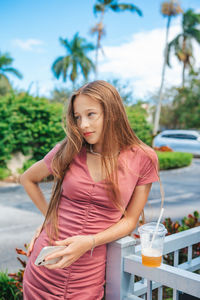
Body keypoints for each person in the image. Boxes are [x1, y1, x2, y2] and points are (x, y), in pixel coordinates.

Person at [20, 80, 159, 300]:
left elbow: (130, 220)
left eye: (91, 114)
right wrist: (49, 218)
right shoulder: (69, 149)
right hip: (45, 266)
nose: (83, 124)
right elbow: (27, 178)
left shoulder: (143, 158)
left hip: (88, 274)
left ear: (111, 112)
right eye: (77, 117)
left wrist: (90, 241)